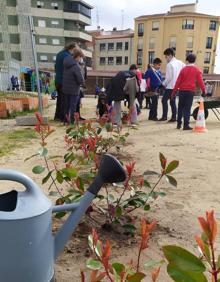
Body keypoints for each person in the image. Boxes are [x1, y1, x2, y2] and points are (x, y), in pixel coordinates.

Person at [172, 53, 206, 130]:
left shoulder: (183, 69)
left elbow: (178, 82)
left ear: (187, 60)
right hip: (190, 92)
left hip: (181, 91)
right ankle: (186, 125)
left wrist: (173, 92)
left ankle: (178, 124)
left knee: (180, 107)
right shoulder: (197, 70)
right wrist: (204, 91)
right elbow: (200, 82)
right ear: (194, 61)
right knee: (187, 108)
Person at [159, 48, 185, 122]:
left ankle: (165, 116)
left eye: (166, 57)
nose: (166, 59)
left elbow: (169, 77)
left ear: (170, 55)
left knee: (164, 100)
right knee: (172, 101)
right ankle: (174, 117)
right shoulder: (181, 62)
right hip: (177, 86)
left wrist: (163, 84)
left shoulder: (169, 64)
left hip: (170, 86)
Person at [54, 42, 78, 122]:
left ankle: (57, 116)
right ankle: (63, 118)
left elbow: (56, 67)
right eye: (75, 50)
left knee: (59, 99)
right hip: (63, 81)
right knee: (64, 101)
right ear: (72, 49)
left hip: (57, 80)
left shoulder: (59, 54)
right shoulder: (67, 56)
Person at [62, 49, 85, 125]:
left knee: (66, 105)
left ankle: (65, 121)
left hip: (65, 88)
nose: (80, 59)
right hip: (74, 89)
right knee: (73, 106)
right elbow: (80, 79)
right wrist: (83, 84)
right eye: (80, 57)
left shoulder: (66, 63)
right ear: (77, 56)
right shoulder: (76, 66)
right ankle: (71, 122)